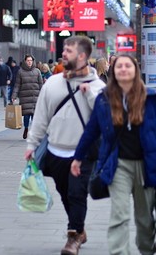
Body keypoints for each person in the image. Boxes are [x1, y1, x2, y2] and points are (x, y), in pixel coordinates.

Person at [24, 36, 106, 255]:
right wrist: (31, 145)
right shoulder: (52, 82)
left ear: (82, 56)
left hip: (84, 152)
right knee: (64, 192)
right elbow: (41, 117)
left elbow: (105, 119)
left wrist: (89, 97)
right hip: (55, 150)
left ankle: (73, 236)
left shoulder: (98, 86)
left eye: (69, 51)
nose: (64, 53)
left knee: (77, 193)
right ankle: (78, 228)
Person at [71, 55, 156, 255]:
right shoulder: (105, 99)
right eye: (119, 66)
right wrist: (77, 157)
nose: (123, 69)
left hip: (146, 165)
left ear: (135, 70)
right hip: (118, 165)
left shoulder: (150, 99)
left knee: (144, 220)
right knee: (119, 214)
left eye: (128, 66)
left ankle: (147, 249)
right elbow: (91, 131)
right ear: (113, 71)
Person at [11, 54, 43, 139]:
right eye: (28, 60)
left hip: (36, 97)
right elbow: (17, 85)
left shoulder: (37, 71)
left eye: (31, 60)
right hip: (25, 97)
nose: (29, 62)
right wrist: (14, 95)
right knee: (26, 115)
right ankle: (26, 128)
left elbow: (41, 84)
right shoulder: (20, 72)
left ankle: (34, 132)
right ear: (25, 61)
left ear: (33, 61)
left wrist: (43, 95)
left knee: (35, 116)